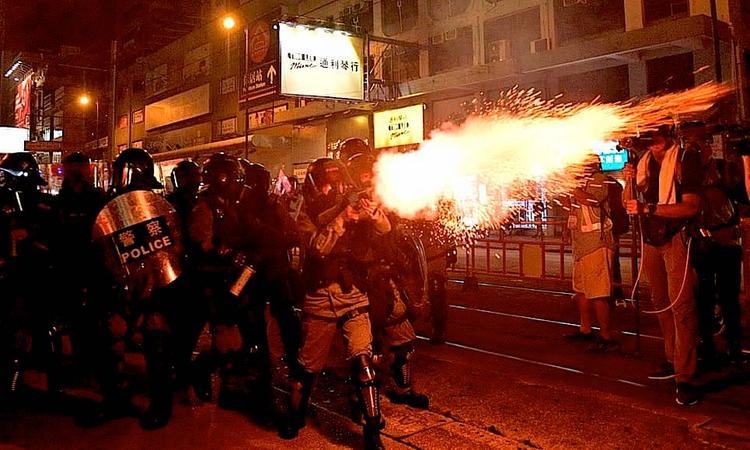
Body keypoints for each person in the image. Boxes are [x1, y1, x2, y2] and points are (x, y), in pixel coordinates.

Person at [279, 157, 388, 450]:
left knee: (364, 363)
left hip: (353, 293)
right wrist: (342, 219)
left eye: (337, 183)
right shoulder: (305, 211)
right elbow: (317, 247)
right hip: (320, 297)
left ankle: (372, 429)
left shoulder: (352, 202)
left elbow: (384, 230)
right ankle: (295, 414)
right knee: (307, 367)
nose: (333, 189)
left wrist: (373, 213)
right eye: (328, 184)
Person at [79, 147, 182, 430]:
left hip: (154, 291)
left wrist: (150, 291)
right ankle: (115, 398)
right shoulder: (110, 208)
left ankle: (161, 404)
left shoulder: (155, 208)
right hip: (117, 288)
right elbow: (102, 251)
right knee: (106, 343)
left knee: (157, 343)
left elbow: (168, 254)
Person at [187, 153, 273, 417]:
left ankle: (241, 386)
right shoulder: (204, 206)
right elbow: (202, 243)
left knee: (249, 334)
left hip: (243, 276)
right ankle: (211, 375)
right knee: (227, 337)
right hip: (217, 279)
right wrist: (229, 252)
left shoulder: (239, 202)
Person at [623, 125, 702, 406]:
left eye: (657, 137)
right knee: (660, 302)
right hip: (651, 239)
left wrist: (649, 209)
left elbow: (691, 206)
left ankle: (685, 376)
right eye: (649, 138)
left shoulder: (684, 159)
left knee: (682, 306)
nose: (653, 143)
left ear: (667, 136)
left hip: (677, 236)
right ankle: (672, 358)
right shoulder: (642, 162)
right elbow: (628, 203)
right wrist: (628, 180)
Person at [345, 152, 430, 411]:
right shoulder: (348, 204)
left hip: (386, 280)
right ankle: (359, 396)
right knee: (363, 349)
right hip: (360, 284)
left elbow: (393, 236)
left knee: (403, 341)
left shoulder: (385, 200)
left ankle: (401, 389)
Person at [0, 153, 57, 402]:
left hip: (38, 275)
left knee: (43, 329)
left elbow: (57, 240)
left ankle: (53, 382)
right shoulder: (3, 202)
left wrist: (31, 235)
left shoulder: (44, 205)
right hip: (9, 274)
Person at [689, 126, 744, 370]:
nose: (699, 150)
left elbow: (740, 196)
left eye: (703, 144)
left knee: (729, 297)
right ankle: (707, 344)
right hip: (703, 243)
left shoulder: (723, 169)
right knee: (704, 297)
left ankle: (733, 346)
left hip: (726, 241)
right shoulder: (689, 173)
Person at [50, 152, 106, 391]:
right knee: (74, 321)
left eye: (81, 170)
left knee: (97, 320)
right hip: (68, 269)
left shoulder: (98, 199)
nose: (77, 175)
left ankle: (96, 365)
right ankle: (80, 365)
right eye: (72, 170)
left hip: (95, 268)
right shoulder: (59, 202)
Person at [564, 160, 617, 352]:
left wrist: (571, 187)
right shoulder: (577, 182)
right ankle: (585, 329)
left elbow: (593, 200)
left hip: (597, 244)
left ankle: (606, 335)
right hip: (581, 246)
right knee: (582, 292)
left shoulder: (600, 179)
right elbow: (571, 208)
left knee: (598, 294)